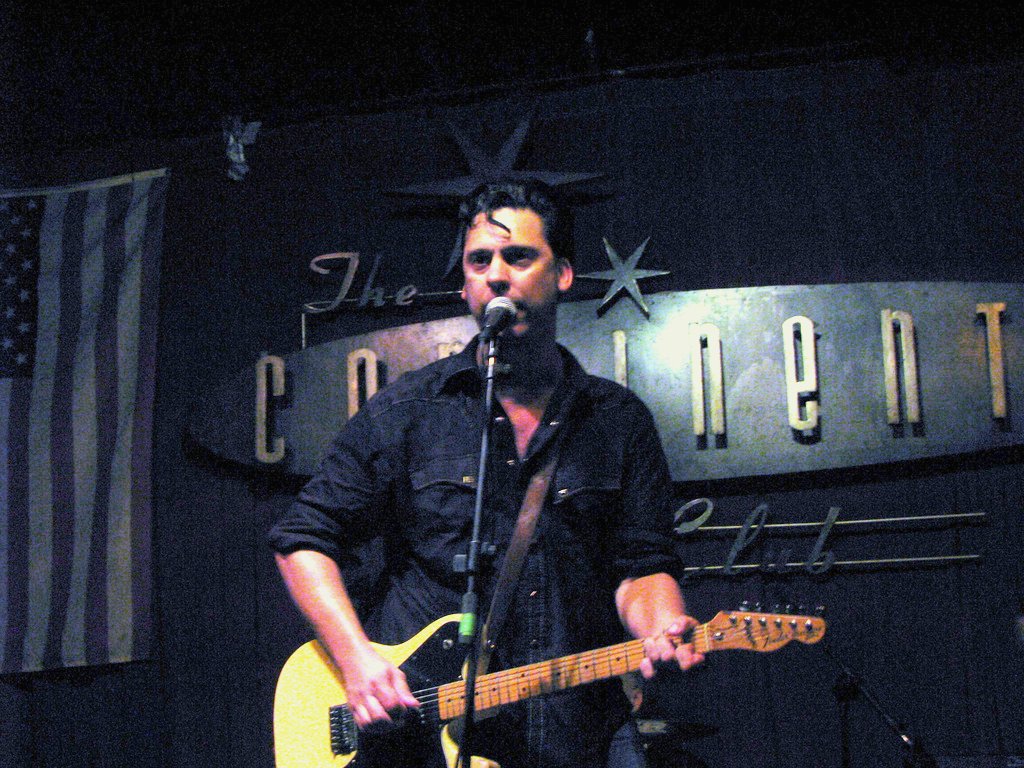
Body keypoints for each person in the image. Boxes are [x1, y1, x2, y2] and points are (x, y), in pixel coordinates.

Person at [268, 181, 704, 768]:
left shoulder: (618, 421)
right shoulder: (410, 410)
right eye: (480, 260)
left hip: (577, 730)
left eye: (519, 256)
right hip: (420, 740)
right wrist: (358, 662)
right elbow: (302, 539)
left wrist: (661, 625)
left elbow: (643, 566)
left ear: (564, 274)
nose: (497, 275)